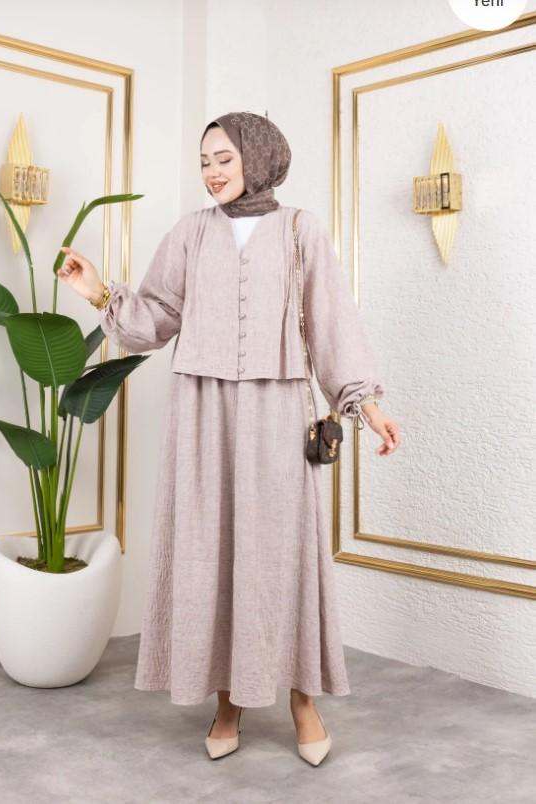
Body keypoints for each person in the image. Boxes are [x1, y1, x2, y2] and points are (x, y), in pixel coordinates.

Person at [58, 110, 400, 766]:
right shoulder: (190, 233)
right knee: (209, 552)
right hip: (202, 411)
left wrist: (366, 405)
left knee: (285, 553)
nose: (212, 172)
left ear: (258, 157)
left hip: (277, 409)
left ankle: (303, 700)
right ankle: (227, 702)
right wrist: (96, 290)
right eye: (204, 161)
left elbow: (331, 320)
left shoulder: (300, 229)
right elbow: (155, 319)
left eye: (224, 158)